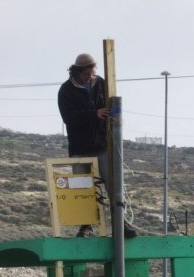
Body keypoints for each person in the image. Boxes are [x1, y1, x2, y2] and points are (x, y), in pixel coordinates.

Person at [57, 53, 136, 238]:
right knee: (83, 189)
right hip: (80, 149)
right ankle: (86, 227)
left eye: (92, 73)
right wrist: (94, 113)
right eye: (86, 74)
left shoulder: (101, 83)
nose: (90, 77)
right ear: (77, 72)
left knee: (113, 186)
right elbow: (68, 118)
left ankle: (121, 224)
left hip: (103, 145)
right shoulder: (66, 90)